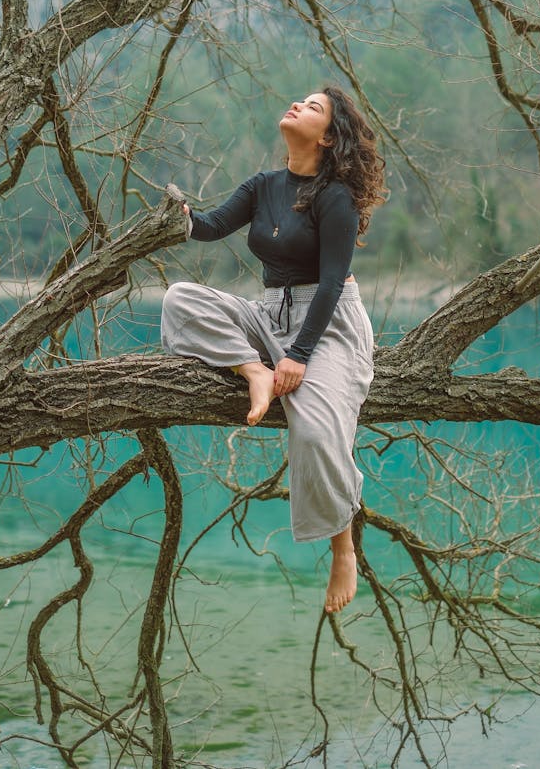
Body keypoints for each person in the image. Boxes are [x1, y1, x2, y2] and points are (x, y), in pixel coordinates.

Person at [161, 86, 386, 614]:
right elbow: (211, 228)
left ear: (328, 136)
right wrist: (177, 215)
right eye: (299, 100)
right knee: (179, 299)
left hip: (327, 324)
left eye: (312, 107)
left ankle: (342, 545)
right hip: (270, 314)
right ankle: (251, 372)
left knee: (312, 429)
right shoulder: (264, 185)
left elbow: (331, 283)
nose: (296, 106)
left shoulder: (335, 198)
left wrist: (300, 354)